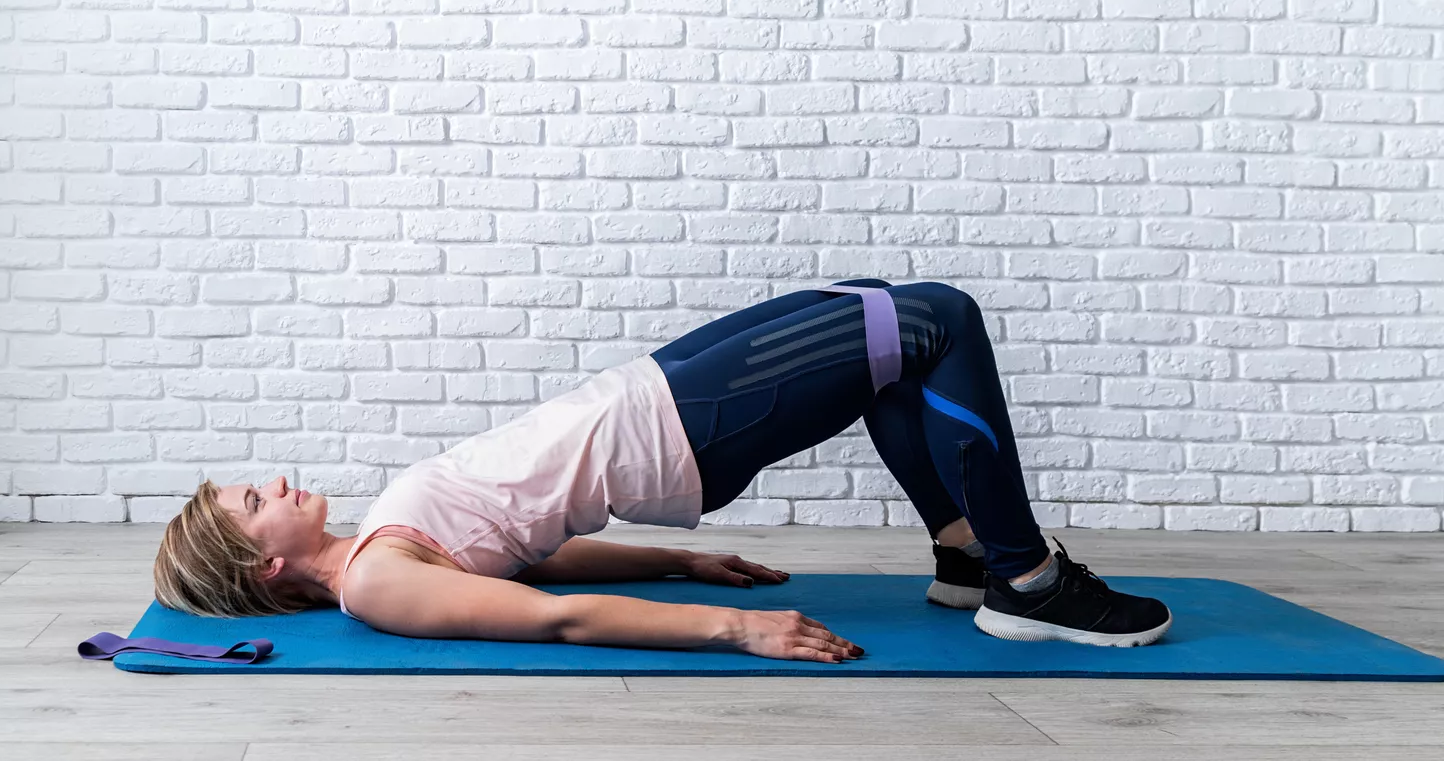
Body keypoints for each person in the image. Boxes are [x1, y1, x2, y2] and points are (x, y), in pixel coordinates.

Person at [153, 279, 1171, 663]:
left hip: (652, 395)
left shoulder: (381, 542)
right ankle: (1026, 581)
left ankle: (964, 561)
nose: (276, 483)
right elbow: (560, 619)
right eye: (257, 503)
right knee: (933, 318)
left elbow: (524, 561)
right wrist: (735, 629)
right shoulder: (376, 583)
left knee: (878, 309)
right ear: (267, 571)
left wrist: (678, 564)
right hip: (678, 428)